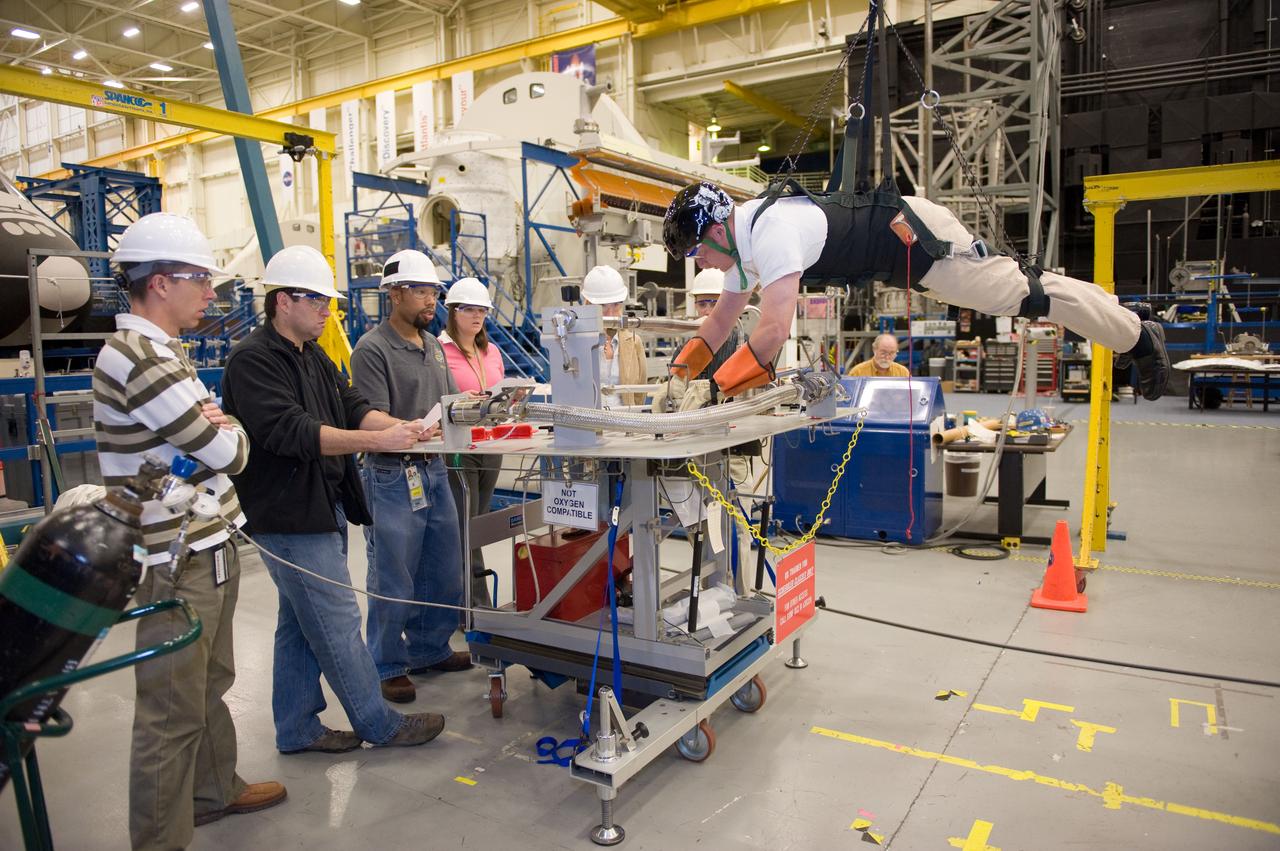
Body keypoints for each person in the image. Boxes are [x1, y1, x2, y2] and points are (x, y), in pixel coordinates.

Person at [93, 212, 286, 849]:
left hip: (207, 547)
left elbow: (212, 437)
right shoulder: (138, 357)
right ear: (159, 282)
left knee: (210, 684)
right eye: (200, 279)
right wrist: (225, 430)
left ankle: (214, 789)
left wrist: (218, 428)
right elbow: (226, 452)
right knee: (169, 715)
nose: (211, 293)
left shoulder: (163, 352)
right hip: (175, 562)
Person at [221, 245, 446, 755]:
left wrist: (402, 428)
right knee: (338, 619)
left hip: (324, 503)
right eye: (319, 301)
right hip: (288, 516)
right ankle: (378, 723)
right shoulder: (252, 361)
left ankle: (298, 726)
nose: (328, 310)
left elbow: (352, 406)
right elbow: (291, 432)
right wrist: (377, 442)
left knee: (298, 624)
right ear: (283, 301)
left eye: (329, 302)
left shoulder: (313, 355)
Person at [662, 181, 1170, 400]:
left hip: (915, 241)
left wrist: (711, 391)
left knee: (1023, 297)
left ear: (716, 228)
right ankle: (1123, 312)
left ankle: (1138, 339)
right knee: (1024, 289)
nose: (700, 263)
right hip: (900, 248)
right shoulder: (740, 243)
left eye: (696, 252)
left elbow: (772, 331)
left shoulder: (767, 232)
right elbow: (721, 322)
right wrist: (677, 378)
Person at [350, 250, 472, 705]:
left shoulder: (435, 346)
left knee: (443, 568)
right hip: (391, 474)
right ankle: (387, 663)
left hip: (433, 467)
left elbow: (448, 403)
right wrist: (412, 429)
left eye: (434, 292)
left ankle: (427, 648)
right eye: (422, 291)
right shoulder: (372, 349)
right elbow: (369, 415)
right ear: (395, 293)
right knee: (393, 574)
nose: (431, 301)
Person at [439, 276, 506, 609]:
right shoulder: (438, 350)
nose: (477, 316)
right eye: (469, 310)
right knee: (466, 527)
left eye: (482, 310)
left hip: (490, 444)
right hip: (459, 448)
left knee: (478, 523)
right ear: (452, 312)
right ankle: (476, 606)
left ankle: (466, 600)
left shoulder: (491, 350)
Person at [582, 264, 646, 405]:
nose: (610, 314)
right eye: (603, 305)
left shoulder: (634, 342)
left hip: (623, 422)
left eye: (616, 305)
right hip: (587, 423)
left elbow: (639, 394)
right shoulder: (575, 342)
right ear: (587, 303)